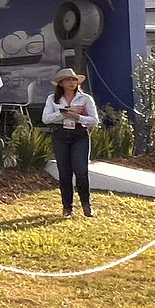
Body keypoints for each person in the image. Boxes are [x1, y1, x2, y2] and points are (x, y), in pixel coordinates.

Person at [43, 68, 99, 217]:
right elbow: (46, 118)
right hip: (60, 135)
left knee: (81, 171)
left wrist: (78, 117)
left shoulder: (85, 98)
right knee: (64, 172)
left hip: (79, 134)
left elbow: (94, 120)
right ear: (61, 83)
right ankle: (67, 207)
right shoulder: (52, 99)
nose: (72, 83)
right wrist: (65, 112)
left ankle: (86, 205)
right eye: (68, 80)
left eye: (74, 80)